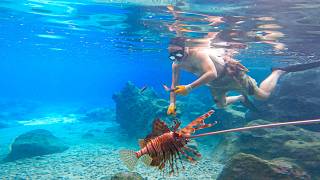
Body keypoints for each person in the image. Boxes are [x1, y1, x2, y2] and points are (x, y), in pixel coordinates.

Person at [166, 37, 320, 116]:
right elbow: (174, 85)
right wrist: (171, 103)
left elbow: (211, 73)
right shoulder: (176, 64)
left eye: (178, 53)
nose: (176, 57)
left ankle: (277, 71)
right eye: (172, 55)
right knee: (220, 105)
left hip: (232, 75)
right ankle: (240, 98)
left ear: (186, 48)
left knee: (263, 96)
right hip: (215, 84)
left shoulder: (199, 54)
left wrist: (189, 87)